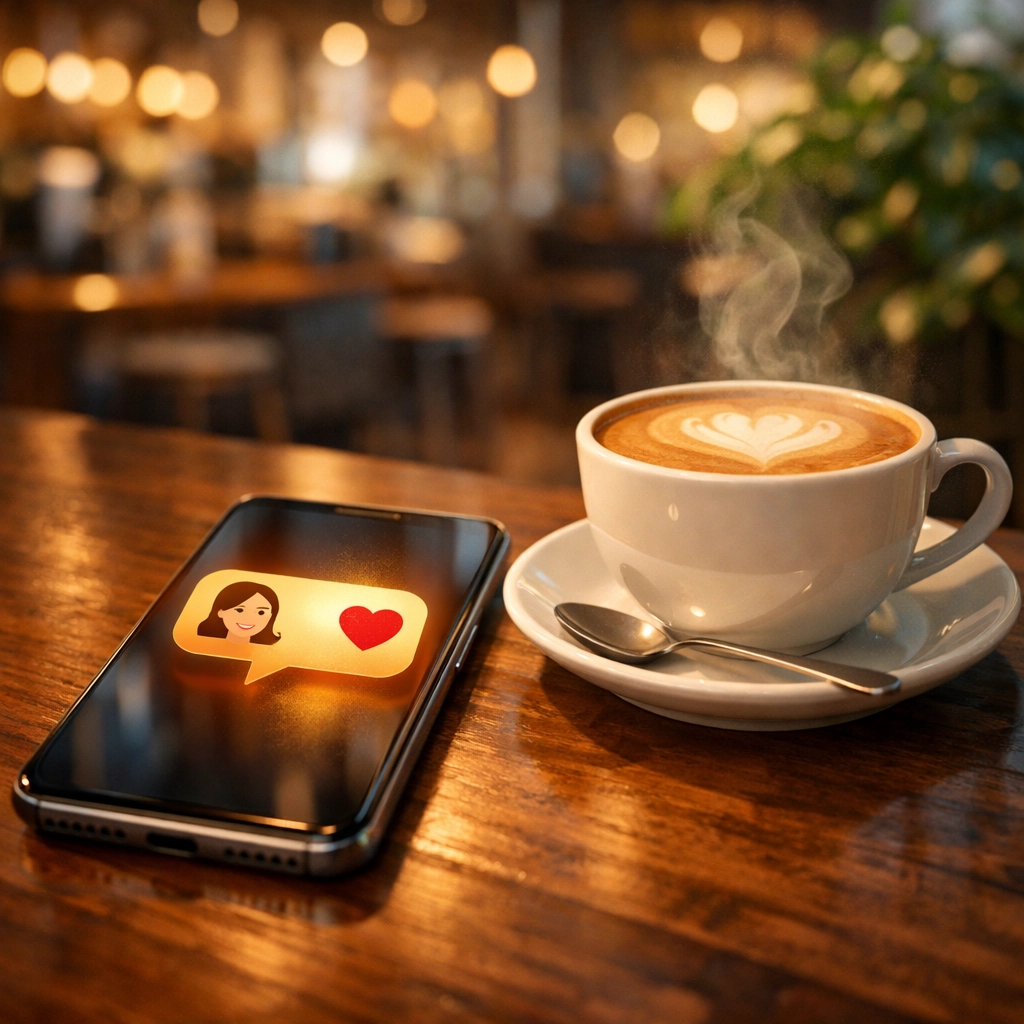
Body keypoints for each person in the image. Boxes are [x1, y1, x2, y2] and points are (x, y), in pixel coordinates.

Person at [197, 581, 281, 646]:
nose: (249, 618)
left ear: (271, 616)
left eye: (261, 612)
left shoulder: (267, 655)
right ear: (220, 612)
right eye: (239, 610)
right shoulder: (201, 644)